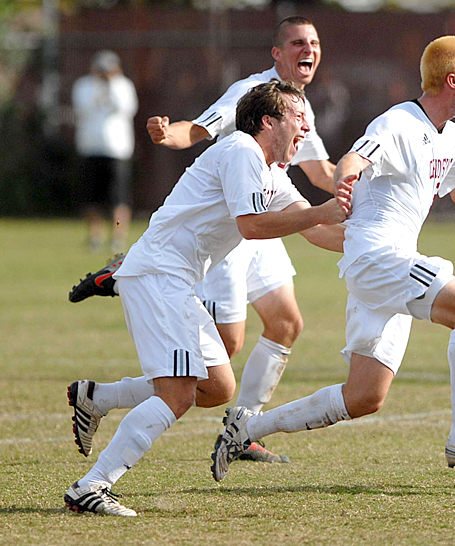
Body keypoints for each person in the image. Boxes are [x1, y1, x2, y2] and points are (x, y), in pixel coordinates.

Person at [210, 35, 455, 482]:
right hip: (379, 256)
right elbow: (354, 158)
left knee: (364, 397)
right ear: (453, 81)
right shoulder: (399, 123)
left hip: (384, 266)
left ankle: (248, 427)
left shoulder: (451, 136)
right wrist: (345, 181)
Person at [63, 80, 350, 516]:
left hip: (176, 280)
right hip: (160, 274)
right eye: (299, 117)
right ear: (268, 121)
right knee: (177, 394)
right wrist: (323, 210)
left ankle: (97, 398)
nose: (307, 128)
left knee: (216, 387)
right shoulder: (241, 151)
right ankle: (92, 486)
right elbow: (253, 225)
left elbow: (316, 230)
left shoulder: (273, 170)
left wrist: (377, 238)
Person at [71, 50, 139, 253]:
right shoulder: (84, 85)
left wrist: (111, 84)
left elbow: (126, 108)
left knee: (118, 198)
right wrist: (99, 85)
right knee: (92, 198)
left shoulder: (123, 86)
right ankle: (95, 236)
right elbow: (83, 108)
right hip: (90, 147)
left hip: (117, 149)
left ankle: (117, 235)